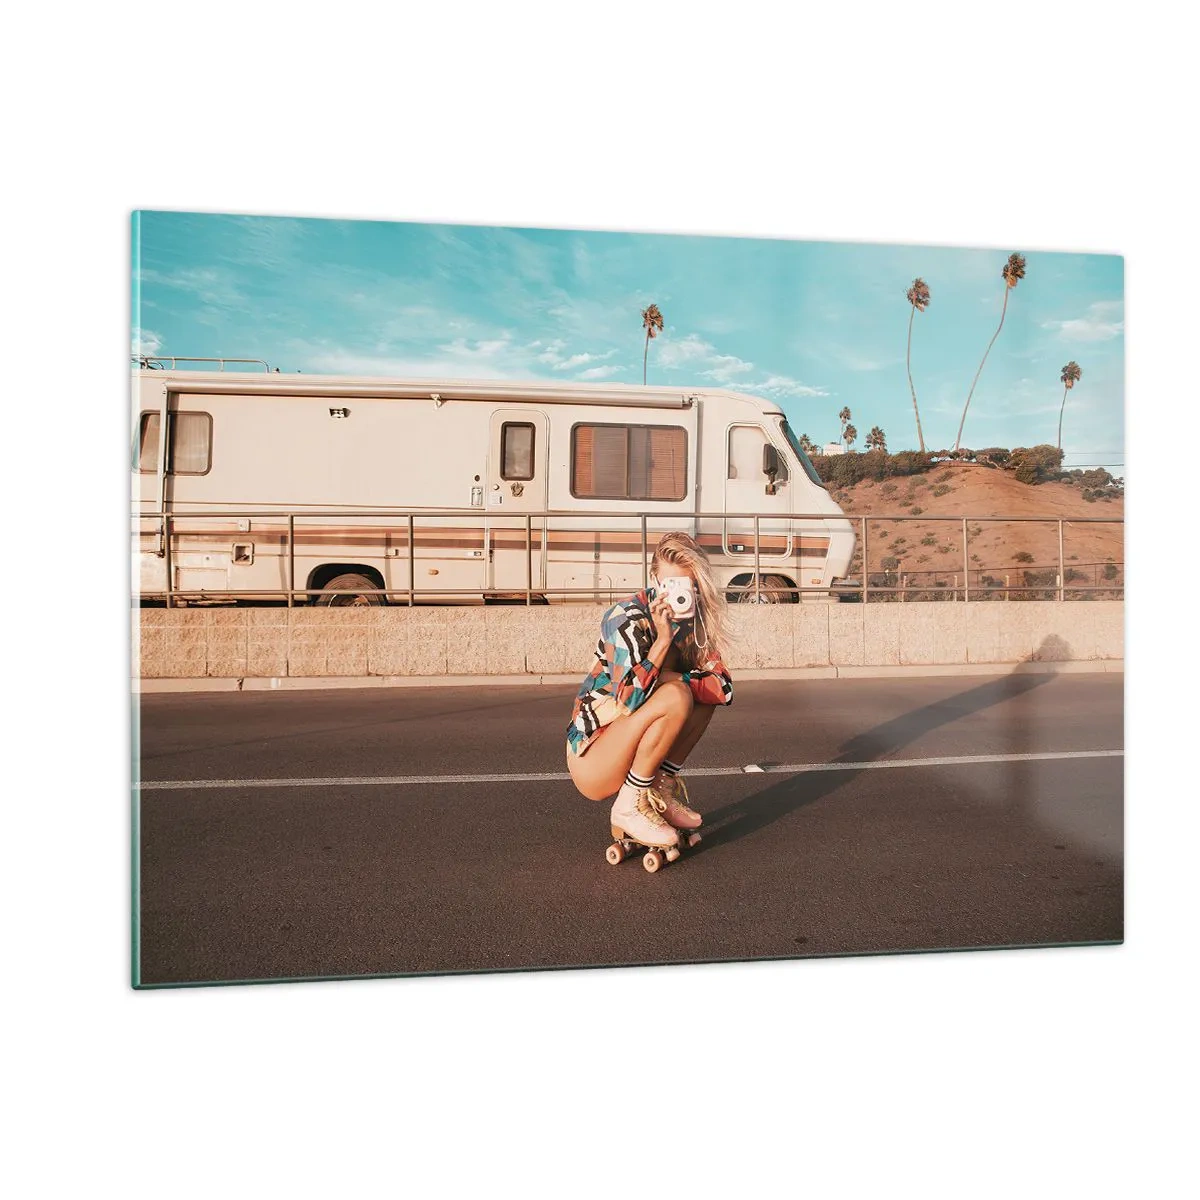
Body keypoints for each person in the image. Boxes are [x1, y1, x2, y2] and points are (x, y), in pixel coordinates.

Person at [565, 531, 734, 849]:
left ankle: (659, 788)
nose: (679, 596)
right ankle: (628, 807)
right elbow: (628, 700)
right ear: (654, 579)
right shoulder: (625, 619)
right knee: (678, 695)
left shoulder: (696, 624)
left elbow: (723, 689)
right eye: (671, 585)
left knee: (696, 699)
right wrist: (663, 642)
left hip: (631, 739)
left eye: (689, 586)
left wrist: (673, 679)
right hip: (593, 754)